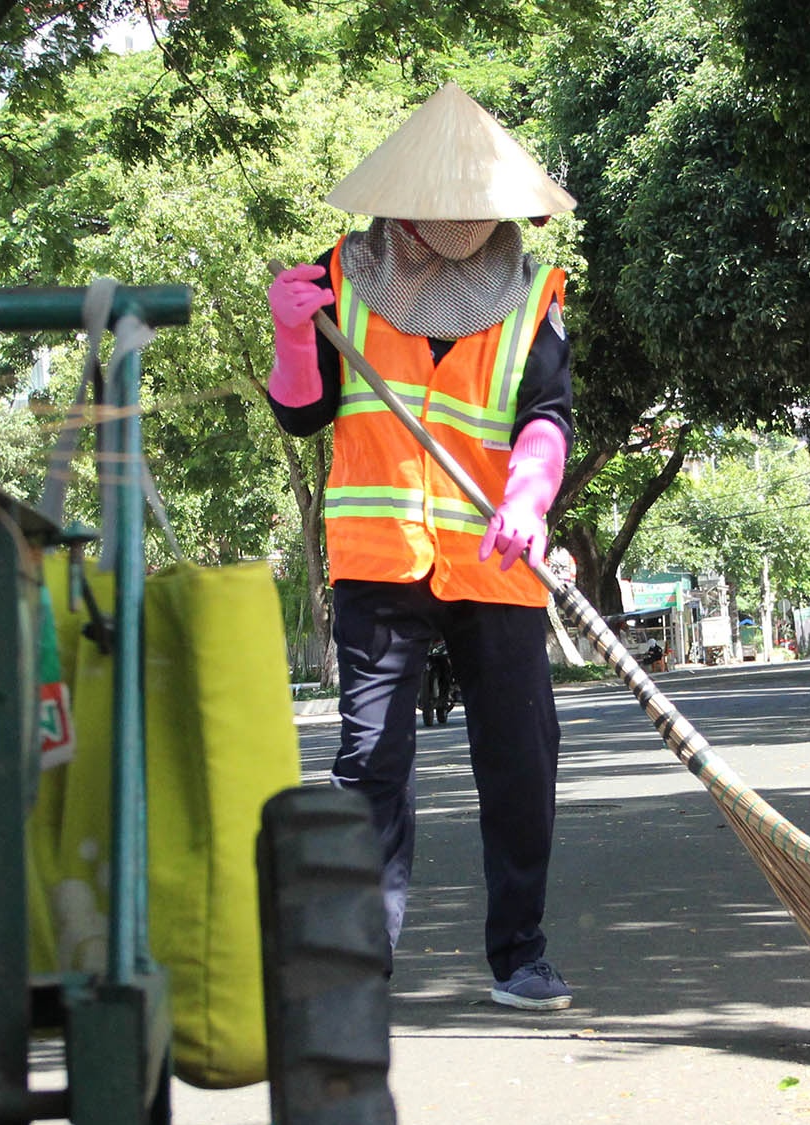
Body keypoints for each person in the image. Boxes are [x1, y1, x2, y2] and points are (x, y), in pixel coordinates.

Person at [266, 84, 578, 1012]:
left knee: (522, 758)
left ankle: (521, 954)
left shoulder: (532, 295)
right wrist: (290, 336)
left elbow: (547, 418)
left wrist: (528, 497)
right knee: (369, 762)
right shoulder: (336, 280)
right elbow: (302, 411)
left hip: (497, 557)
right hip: (379, 553)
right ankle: (358, 963)